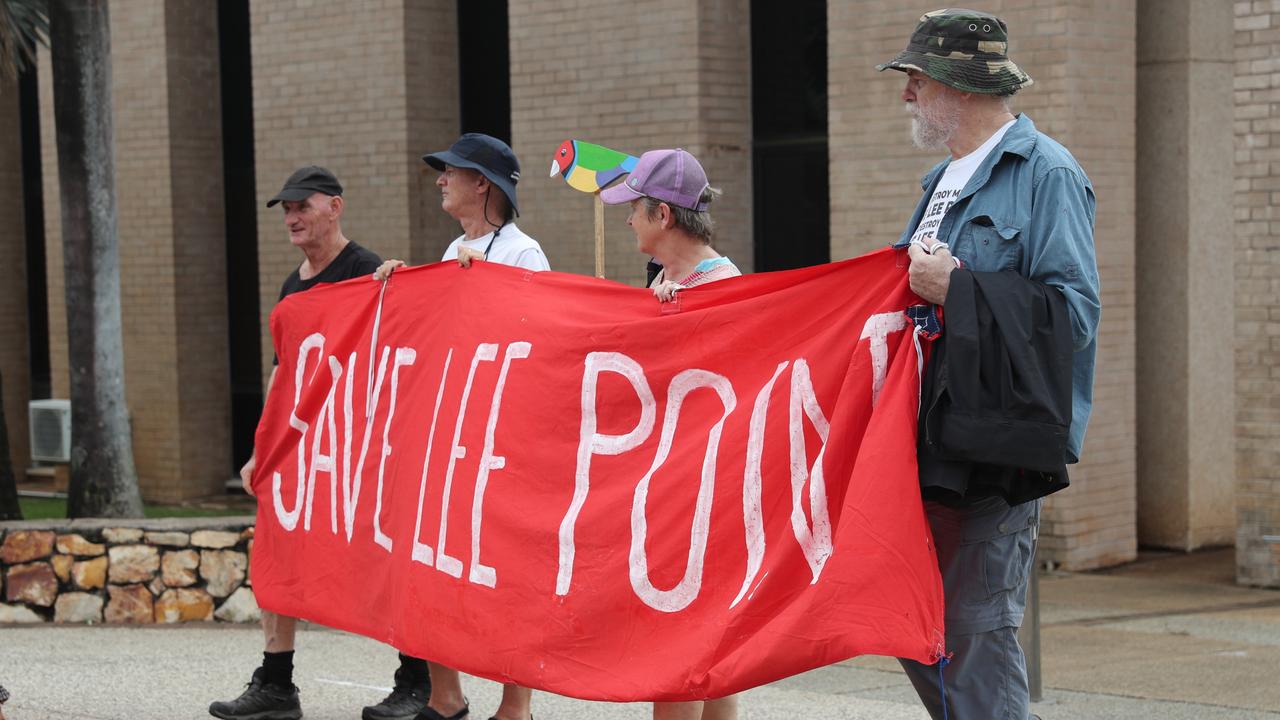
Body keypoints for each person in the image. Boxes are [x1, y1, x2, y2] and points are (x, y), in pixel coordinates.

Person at [877, 9, 1101, 720]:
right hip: (929, 443)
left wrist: (961, 288)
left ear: (958, 85)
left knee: (973, 636)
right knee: (908, 622)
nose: (907, 95)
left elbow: (1073, 316)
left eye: (915, 79)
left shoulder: (1047, 173)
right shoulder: (938, 181)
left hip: (993, 452)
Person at [210, 166, 433, 720]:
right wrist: (264, 447)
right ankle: (277, 684)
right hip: (307, 448)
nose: (290, 217)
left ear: (334, 207)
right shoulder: (293, 285)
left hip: (363, 445)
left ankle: (415, 681)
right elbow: (282, 373)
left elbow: (410, 345)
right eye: (285, 209)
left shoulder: (369, 271)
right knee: (278, 547)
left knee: (387, 554)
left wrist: (403, 284)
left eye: (301, 206)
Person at [374, 133, 547, 720]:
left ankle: (514, 706)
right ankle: (444, 696)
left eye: (452, 172)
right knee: (431, 566)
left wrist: (481, 287)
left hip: (502, 444)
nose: (441, 180)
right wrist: (404, 289)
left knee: (506, 577)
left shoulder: (525, 254)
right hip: (450, 440)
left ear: (484, 185)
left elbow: (536, 338)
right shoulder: (452, 252)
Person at [599, 148, 739, 720]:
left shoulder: (720, 282)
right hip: (673, 477)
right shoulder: (665, 276)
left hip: (701, 483)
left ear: (663, 215)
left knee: (680, 642)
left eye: (634, 209)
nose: (626, 220)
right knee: (705, 643)